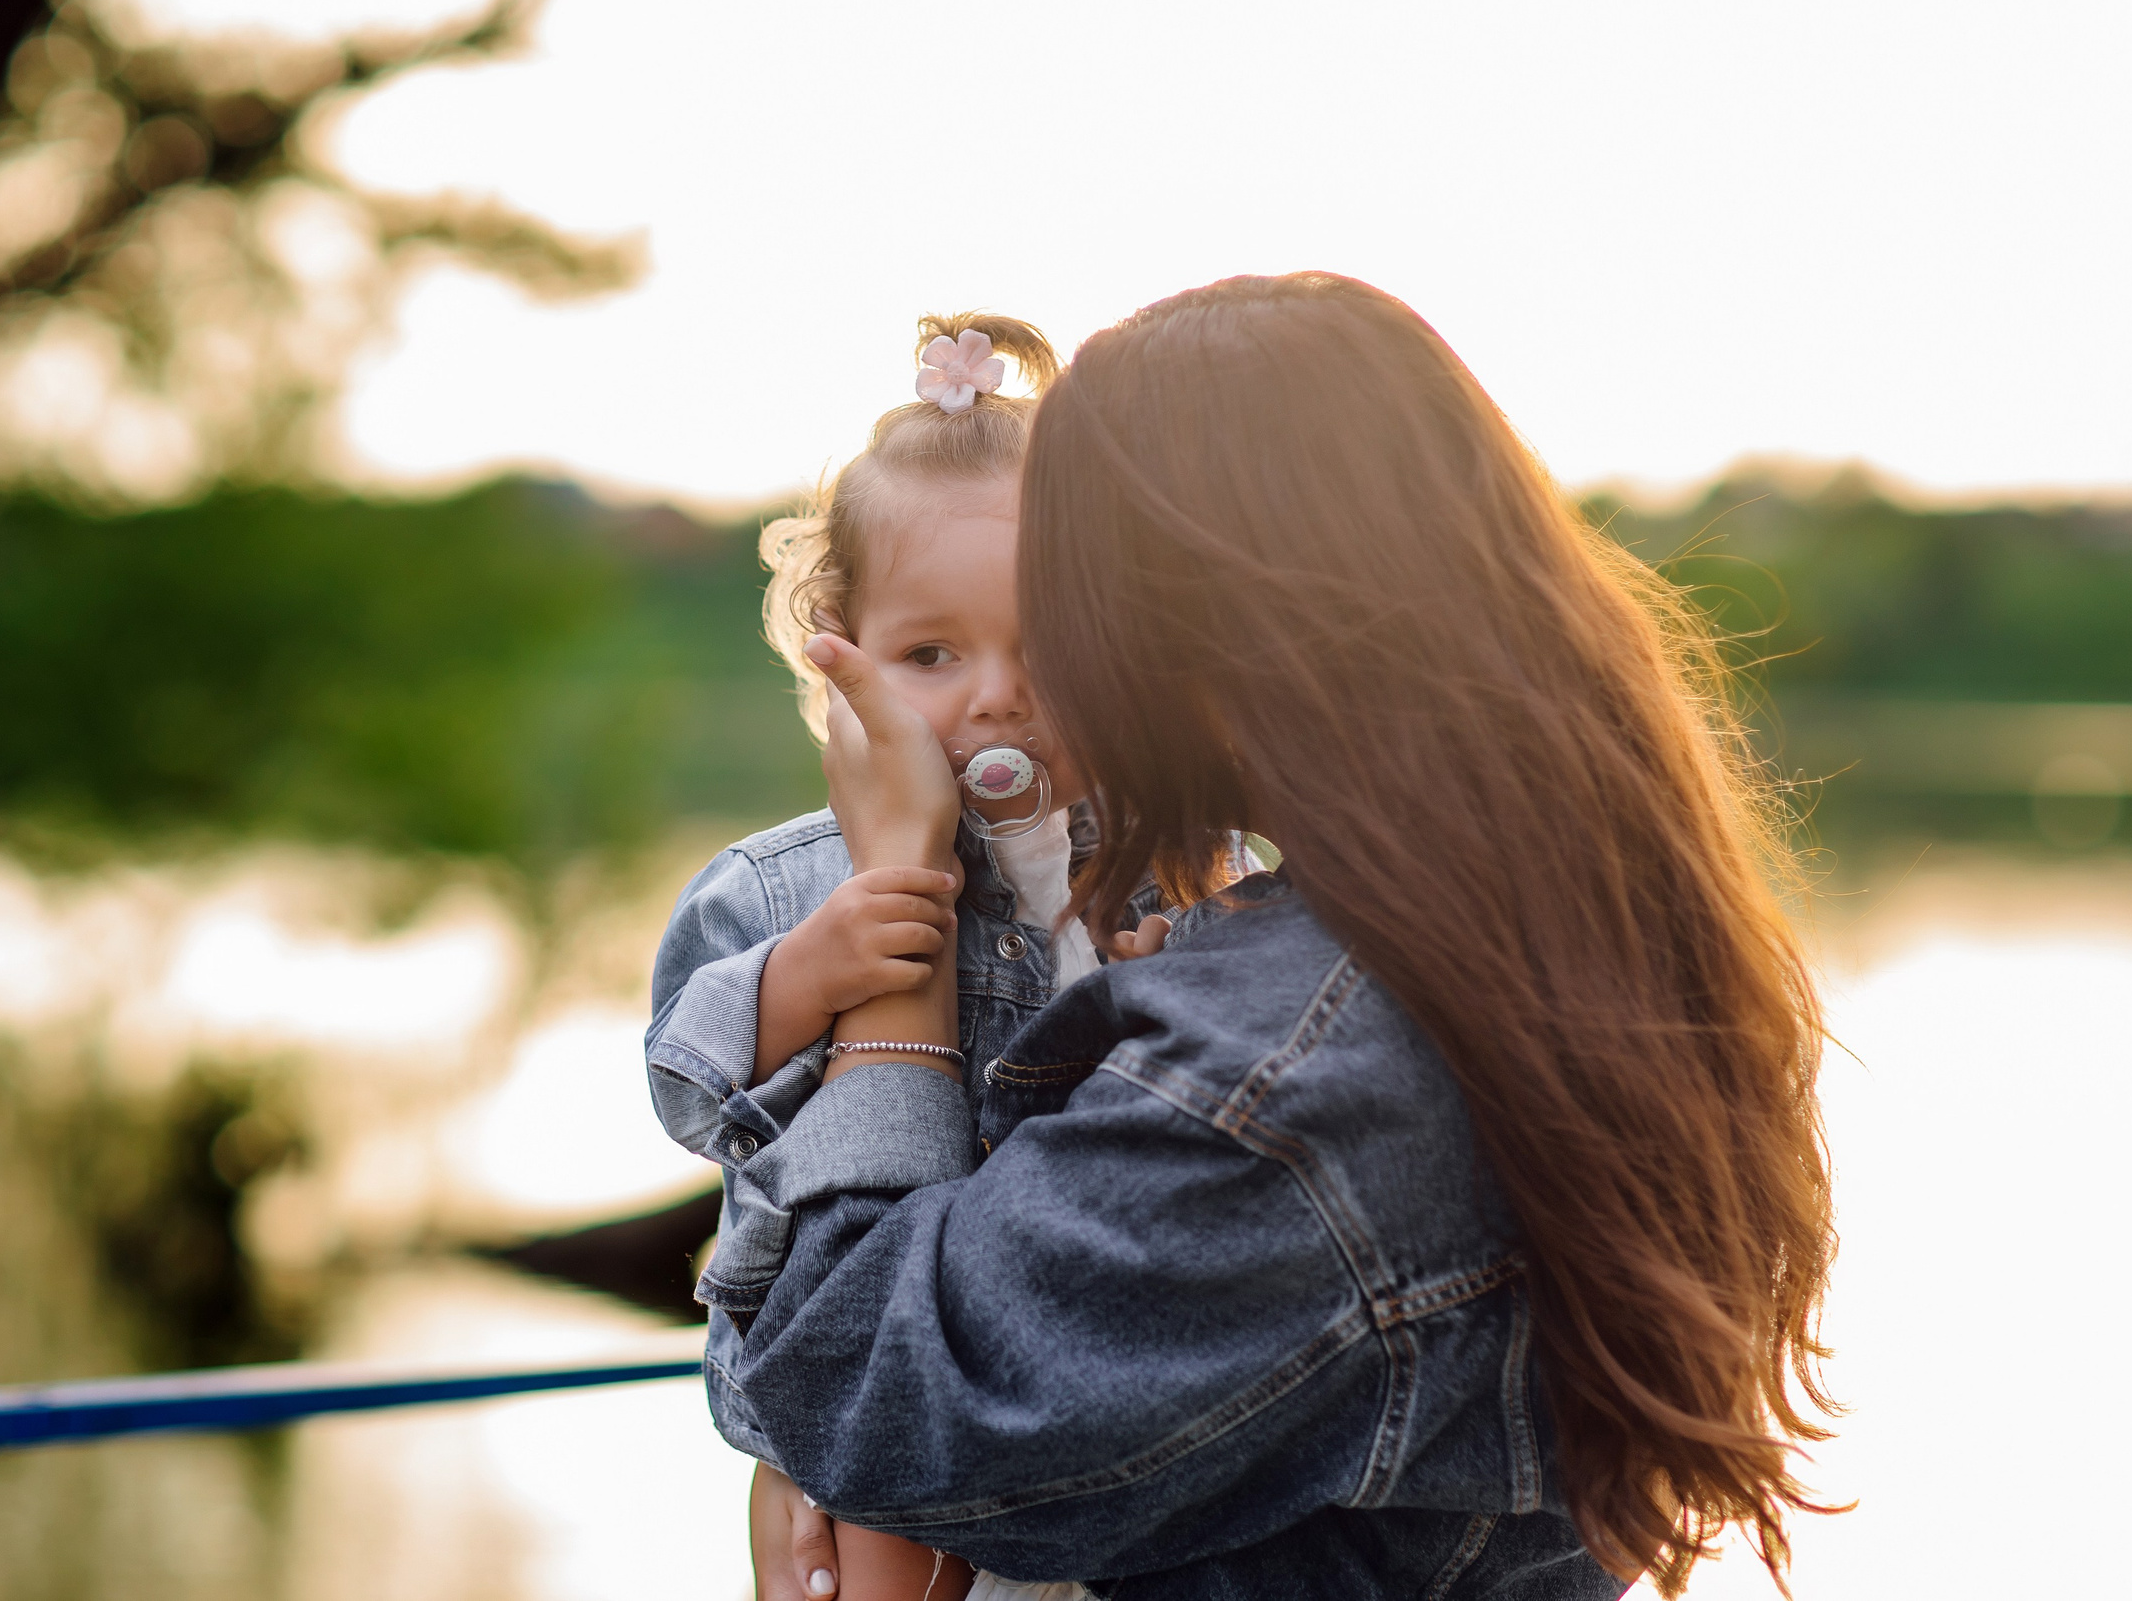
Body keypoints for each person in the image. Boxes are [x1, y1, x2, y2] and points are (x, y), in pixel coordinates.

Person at [730, 274, 1839, 1600]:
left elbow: (862, 1399)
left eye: (1064, 603)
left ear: (1188, 631)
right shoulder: (1583, 925)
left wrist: (897, 900)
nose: (1032, 678)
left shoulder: (1279, 1083)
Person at [645, 313, 1199, 1601]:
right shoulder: (781, 886)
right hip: (844, 1344)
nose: (997, 695)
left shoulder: (1172, 859)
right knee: (886, 1540)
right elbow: (685, 1087)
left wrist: (1169, 971)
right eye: (931, 655)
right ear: (840, 650)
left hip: (1075, 1356)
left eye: (1047, 647)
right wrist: (804, 978)